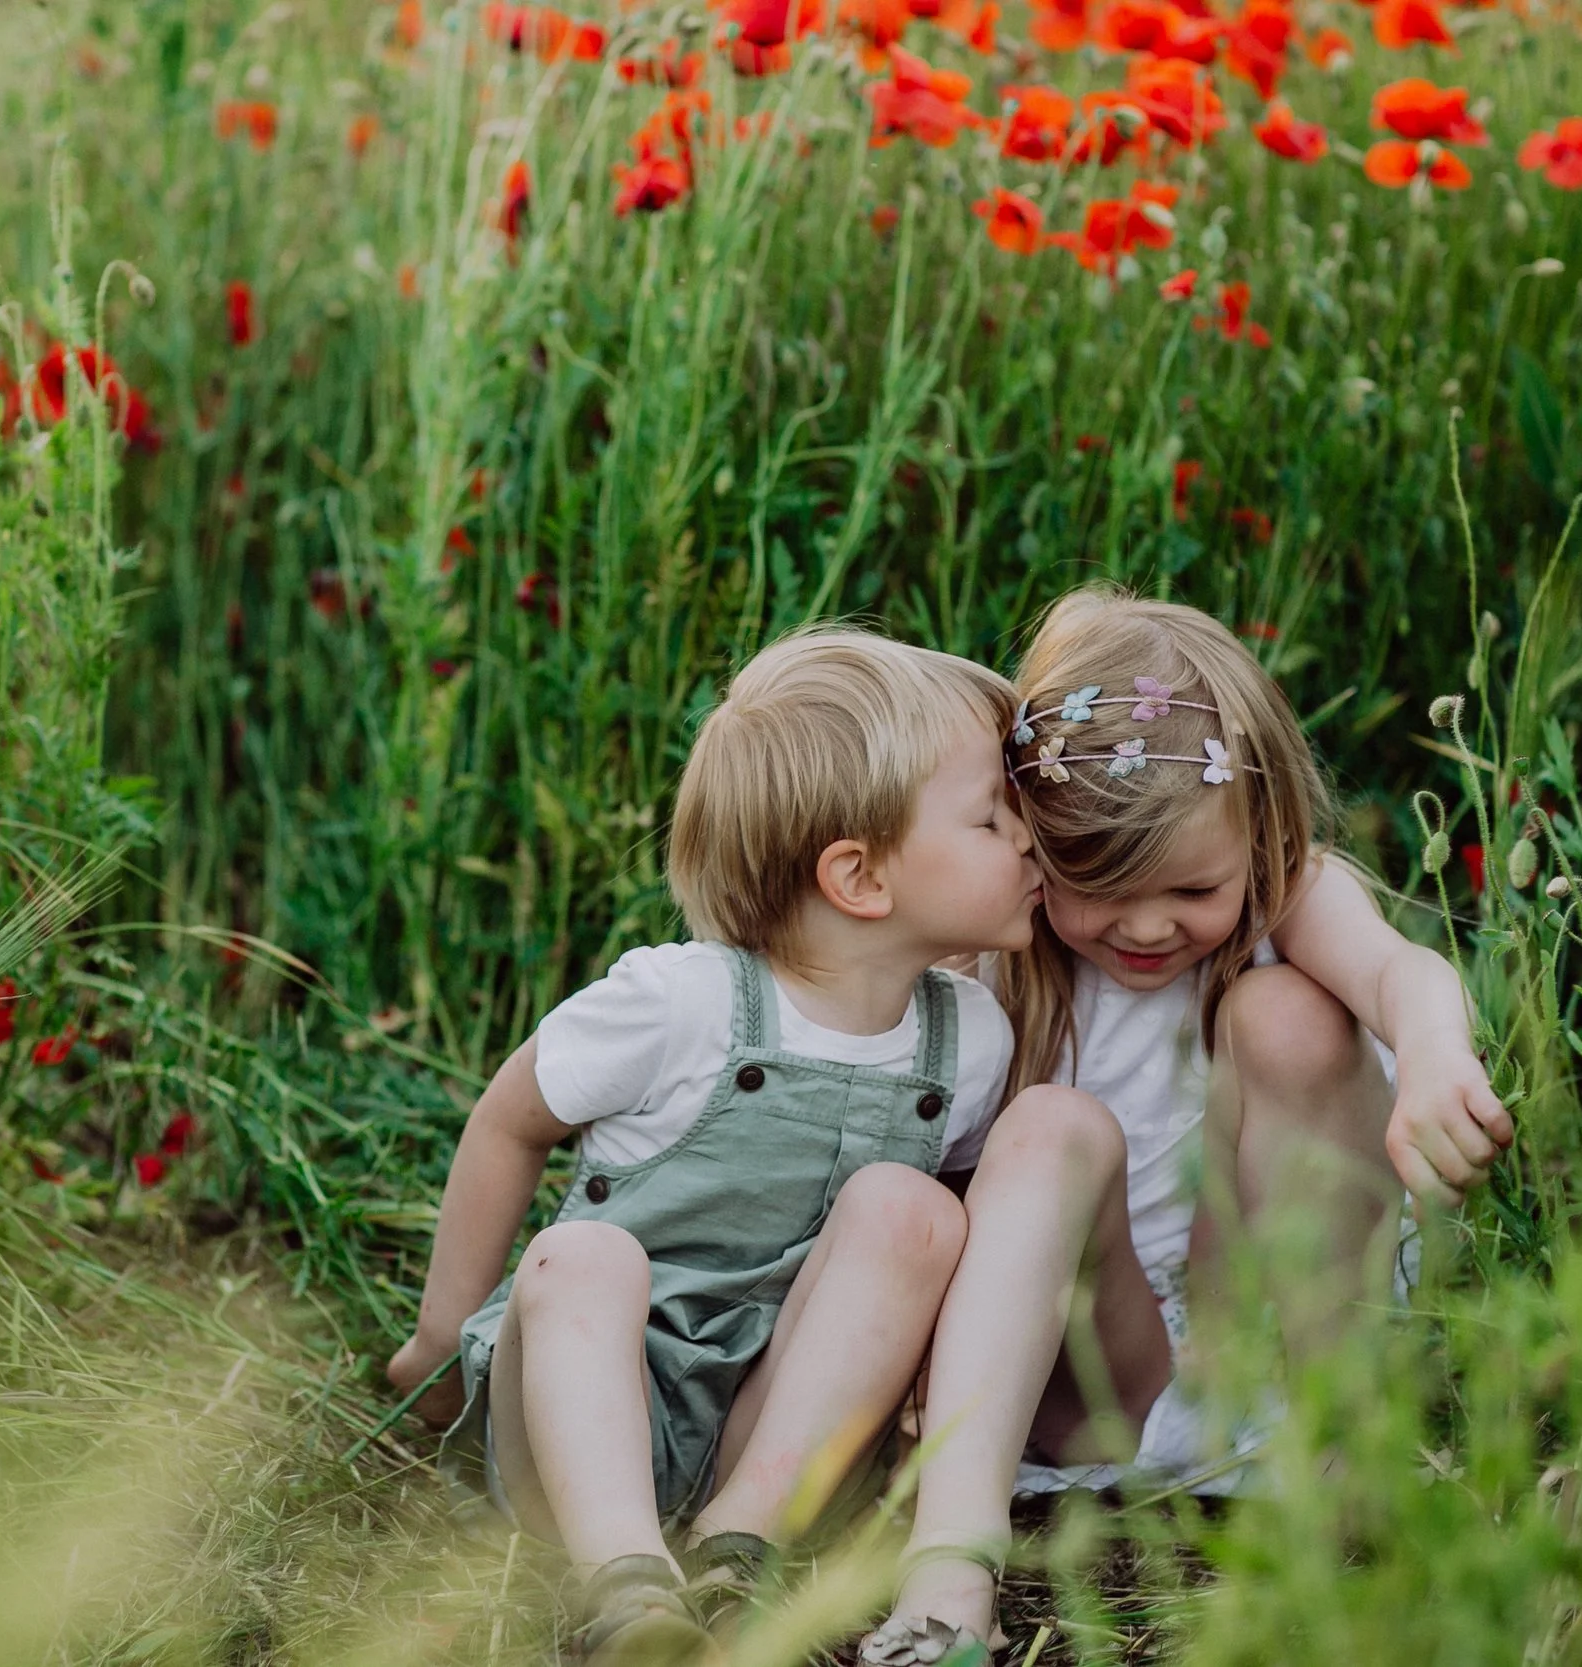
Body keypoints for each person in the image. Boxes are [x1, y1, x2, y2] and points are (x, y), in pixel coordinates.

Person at [386, 628, 1163, 1667]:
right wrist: (441, 1339)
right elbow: (507, 1119)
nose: (1028, 842)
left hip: (795, 1435)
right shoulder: (675, 1001)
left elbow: (950, 1264)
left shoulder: (968, 1038)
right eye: (990, 818)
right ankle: (624, 1579)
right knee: (586, 1256)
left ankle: (733, 1545)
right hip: (589, 1417)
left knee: (915, 1207)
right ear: (858, 876)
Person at [990, 588, 1514, 1492]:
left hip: (1270, 1327)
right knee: (1043, 1125)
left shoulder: (1288, 892)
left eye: (1193, 891)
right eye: (1103, 891)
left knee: (1287, 1014)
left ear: (1260, 833)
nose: (1147, 928)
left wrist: (1433, 1058)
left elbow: (1404, 974)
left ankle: (1344, 1425)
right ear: (1037, 845)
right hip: (1096, 1378)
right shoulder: (1002, 945)